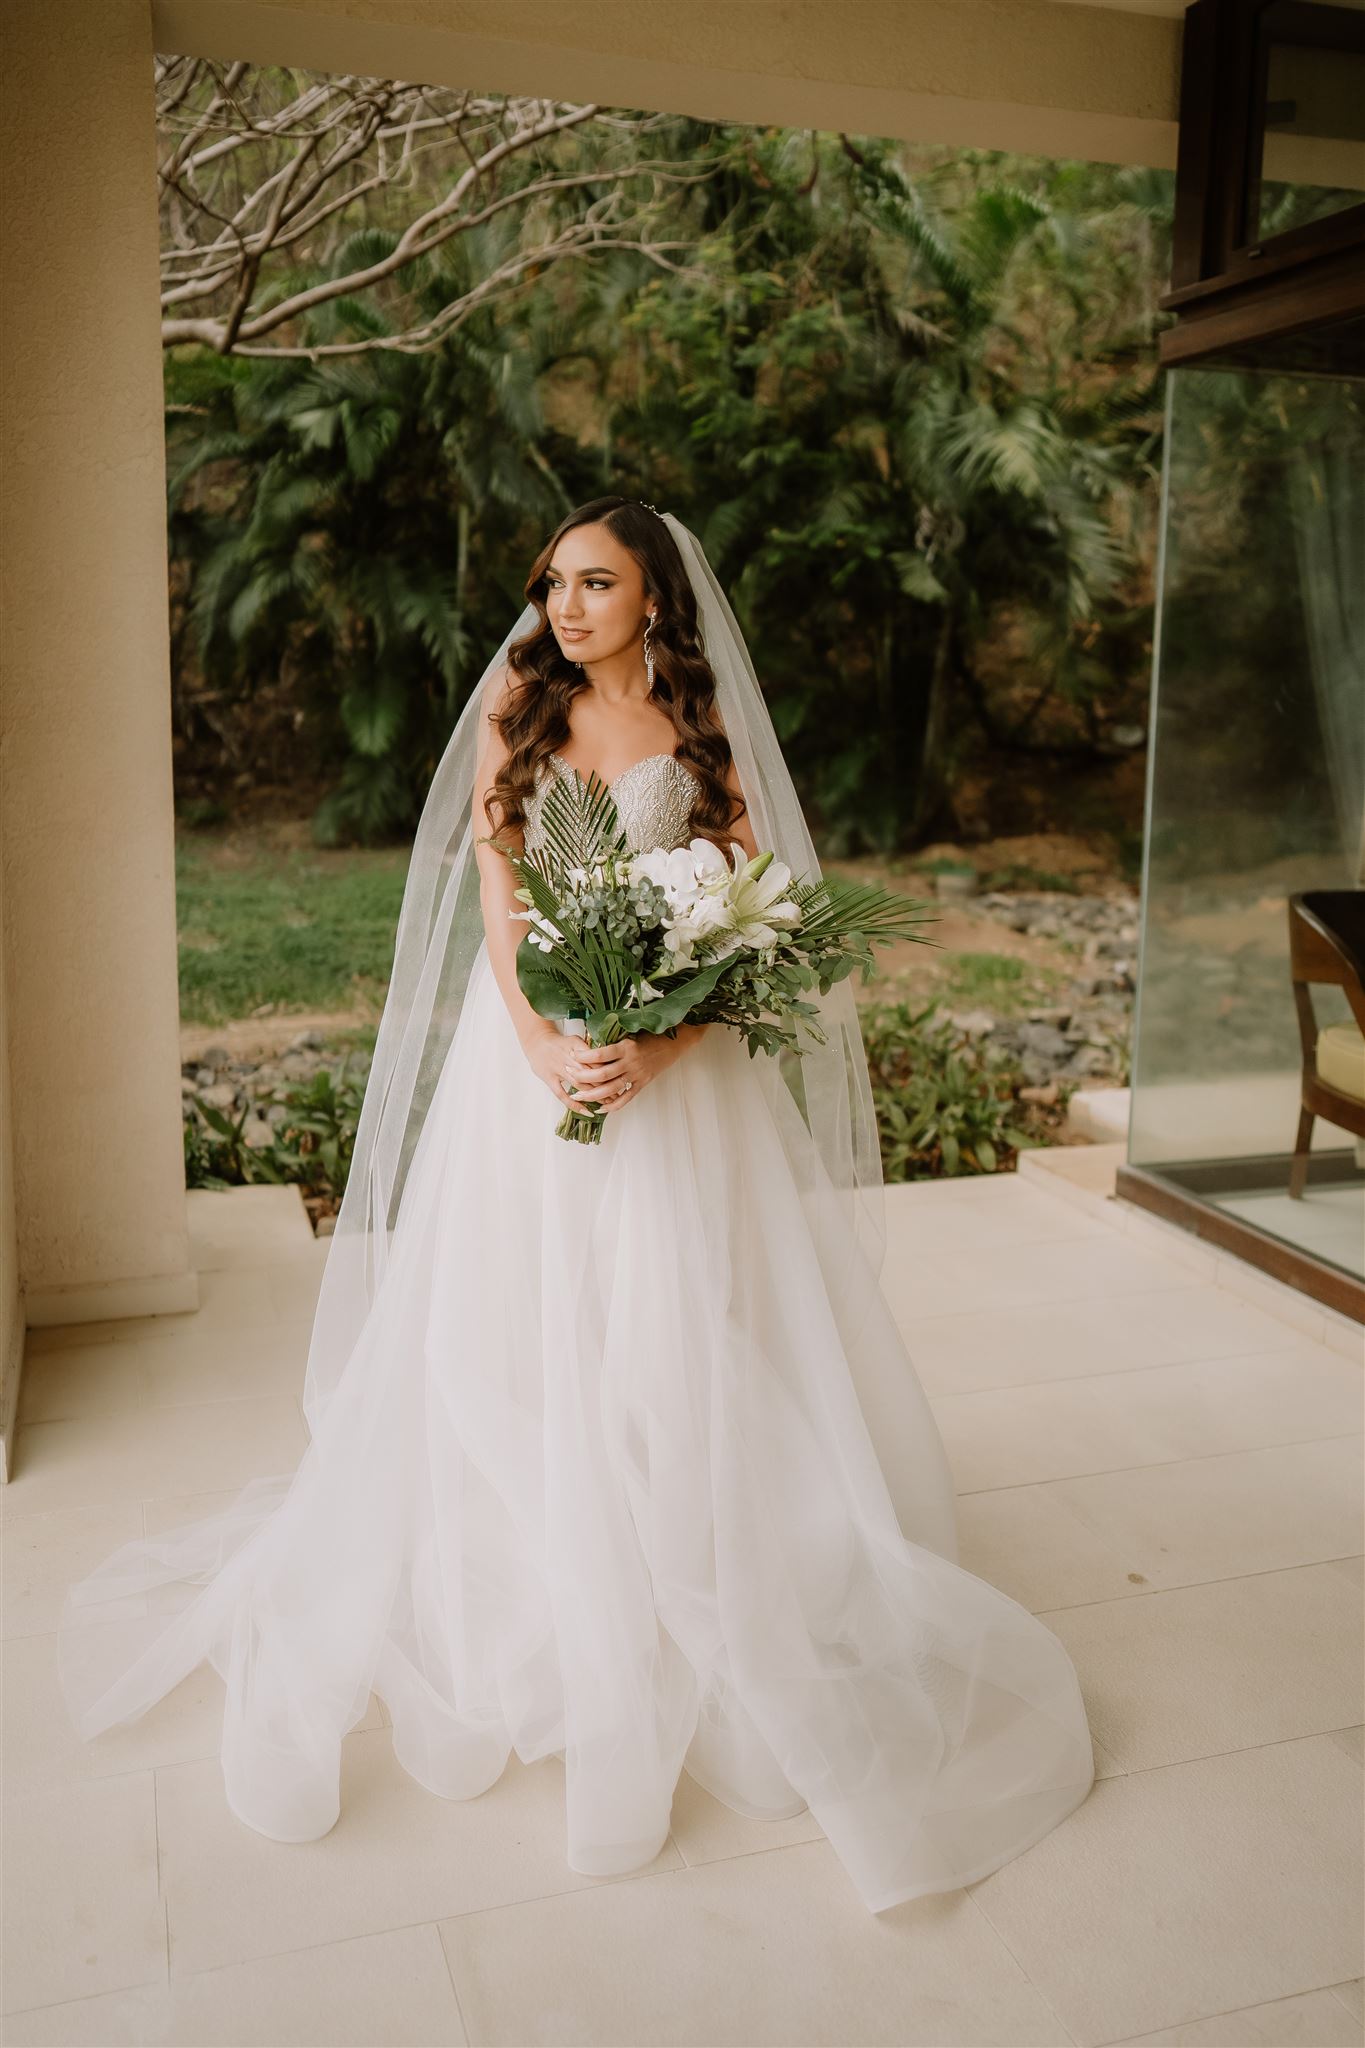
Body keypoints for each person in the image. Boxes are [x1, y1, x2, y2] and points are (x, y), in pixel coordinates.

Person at [57, 497, 1095, 1916]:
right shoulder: (515, 706)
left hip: (677, 1071)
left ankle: (691, 1551)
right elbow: (499, 893)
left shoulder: (703, 720)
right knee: (520, 1311)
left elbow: (748, 917)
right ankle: (542, 1576)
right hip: (530, 1055)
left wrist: (658, 1043)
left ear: (655, 598)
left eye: (594, 583)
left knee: (679, 1310)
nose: (564, 607)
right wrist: (551, 1045)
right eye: (553, 583)